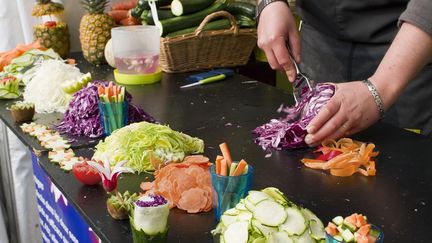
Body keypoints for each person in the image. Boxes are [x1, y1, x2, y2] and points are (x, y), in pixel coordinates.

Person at [256, 0, 432, 146]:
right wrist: (269, 3)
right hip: (319, 41)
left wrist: (381, 88)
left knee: (401, 169)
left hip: (410, 50)